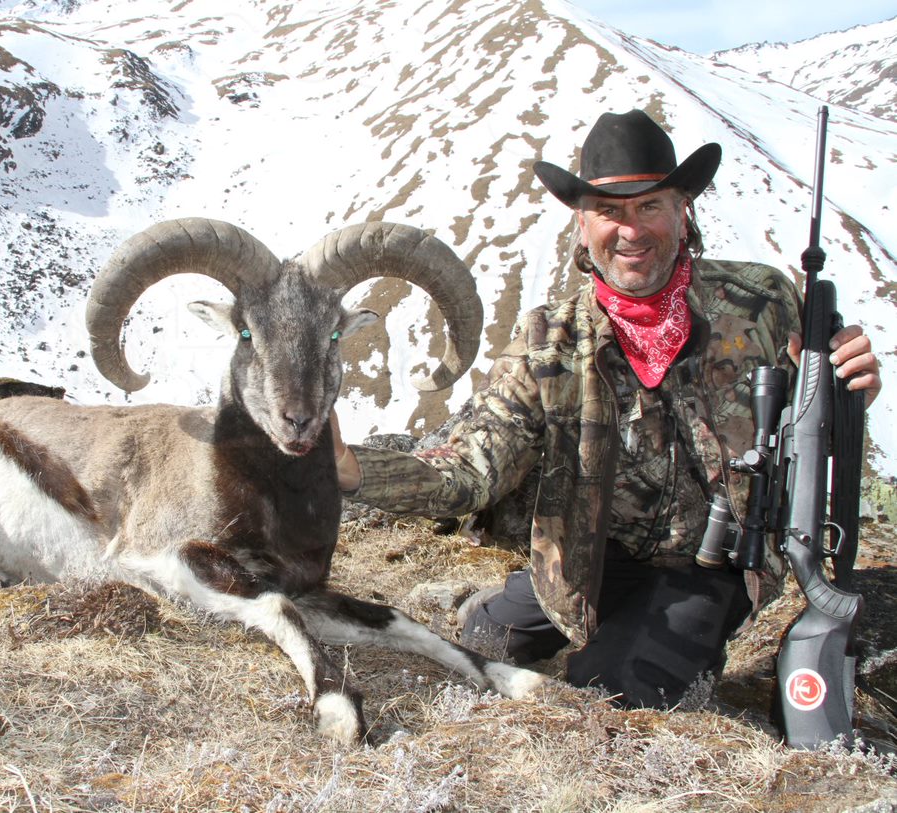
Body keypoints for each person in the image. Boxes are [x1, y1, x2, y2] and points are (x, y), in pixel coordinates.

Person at [331, 109, 882, 708]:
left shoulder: (764, 301)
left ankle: (676, 636)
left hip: (712, 563)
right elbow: (475, 466)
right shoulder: (548, 337)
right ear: (581, 221)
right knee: (485, 638)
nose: (631, 231)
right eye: (610, 211)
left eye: (650, 207)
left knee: (611, 691)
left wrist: (849, 393)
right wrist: (352, 469)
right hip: (591, 559)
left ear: (683, 211)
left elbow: (814, 420)